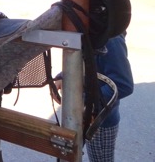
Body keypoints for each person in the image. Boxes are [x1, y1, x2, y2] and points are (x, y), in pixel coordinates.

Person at [56, 33, 134, 162]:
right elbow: (82, 61)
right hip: (80, 114)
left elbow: (123, 84)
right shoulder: (87, 32)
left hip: (99, 121)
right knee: (69, 154)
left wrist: (88, 105)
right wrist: (62, 76)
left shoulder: (111, 39)